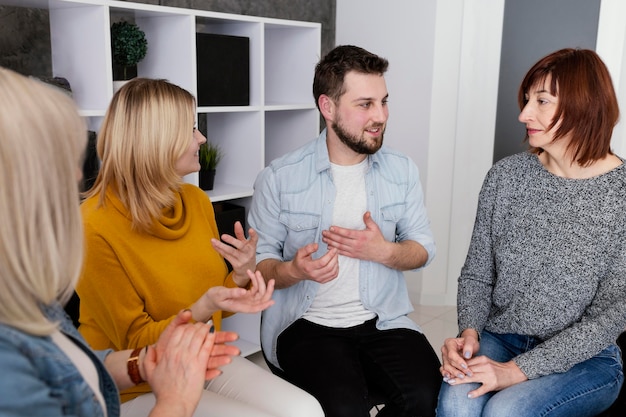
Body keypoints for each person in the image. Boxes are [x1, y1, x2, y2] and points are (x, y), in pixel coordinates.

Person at [0, 67, 241, 417]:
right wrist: (173, 399)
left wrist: (147, 363)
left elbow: (78, 362)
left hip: (172, 362)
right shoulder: (92, 225)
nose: (78, 176)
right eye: (55, 163)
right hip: (144, 389)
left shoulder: (23, 298)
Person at [76, 78, 324, 417]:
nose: (202, 138)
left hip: (201, 357)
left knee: (306, 409)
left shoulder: (194, 200)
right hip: (134, 385)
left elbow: (218, 303)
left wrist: (239, 277)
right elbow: (133, 342)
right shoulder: (93, 225)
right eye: (191, 128)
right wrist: (204, 307)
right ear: (156, 140)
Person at [248, 44, 442, 417]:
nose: (381, 116)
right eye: (365, 104)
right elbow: (256, 265)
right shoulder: (280, 177)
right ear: (328, 107)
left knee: (428, 397)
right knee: (345, 408)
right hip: (306, 324)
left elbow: (423, 248)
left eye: (384, 102)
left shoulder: (402, 171)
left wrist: (385, 251)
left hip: (382, 318)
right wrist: (293, 271)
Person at [436, 48, 626, 417]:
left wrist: (517, 371)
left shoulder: (621, 194)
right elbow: (477, 274)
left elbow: (612, 312)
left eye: (542, 101)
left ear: (584, 105)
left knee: (506, 412)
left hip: (586, 358)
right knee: (458, 404)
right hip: (500, 338)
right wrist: (470, 335)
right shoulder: (505, 177)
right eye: (526, 100)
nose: (524, 114)